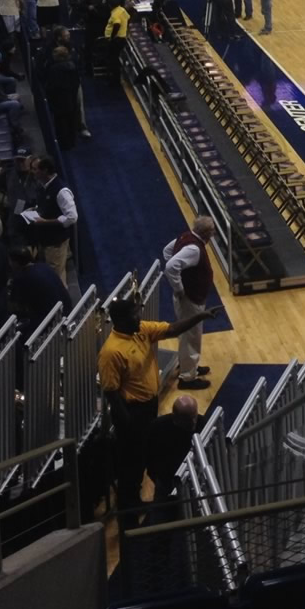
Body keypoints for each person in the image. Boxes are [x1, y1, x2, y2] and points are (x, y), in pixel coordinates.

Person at [100, 297, 219, 521]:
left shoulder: (141, 330)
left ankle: (134, 502)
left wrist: (200, 316)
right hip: (130, 412)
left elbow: (172, 329)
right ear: (121, 320)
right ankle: (128, 513)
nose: (139, 317)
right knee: (131, 462)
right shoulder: (111, 352)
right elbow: (111, 392)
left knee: (141, 456)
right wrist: (127, 425)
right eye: (134, 315)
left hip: (148, 406)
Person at [162, 216, 216, 392]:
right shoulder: (194, 248)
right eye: (212, 231)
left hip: (189, 297)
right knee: (191, 337)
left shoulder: (185, 237)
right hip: (190, 299)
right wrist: (179, 287)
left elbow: (167, 251)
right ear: (207, 233)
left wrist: (184, 276)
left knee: (187, 335)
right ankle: (187, 378)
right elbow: (171, 266)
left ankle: (188, 366)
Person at [22, 156, 77, 284]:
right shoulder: (43, 186)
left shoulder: (62, 191)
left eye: (35, 169)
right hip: (44, 239)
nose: (32, 171)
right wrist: (34, 209)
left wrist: (45, 222)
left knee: (55, 276)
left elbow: (72, 217)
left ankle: (61, 303)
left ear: (45, 170)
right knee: (50, 273)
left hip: (55, 242)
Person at [145, 395, 200, 509]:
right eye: (188, 418)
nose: (193, 422)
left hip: (195, 480)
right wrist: (157, 477)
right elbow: (149, 457)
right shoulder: (158, 428)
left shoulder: (203, 424)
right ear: (176, 417)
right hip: (166, 482)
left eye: (195, 416)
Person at [8, 245, 72, 336]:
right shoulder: (43, 266)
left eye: (10, 261)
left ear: (15, 262)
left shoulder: (21, 278)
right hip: (67, 308)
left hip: (52, 320)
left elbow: (14, 306)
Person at [102, 0, 131, 80]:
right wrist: (126, 28)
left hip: (116, 40)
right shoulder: (122, 10)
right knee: (115, 58)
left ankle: (113, 78)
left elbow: (117, 24)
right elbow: (128, 18)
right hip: (121, 38)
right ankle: (115, 76)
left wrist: (112, 36)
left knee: (112, 59)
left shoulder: (115, 14)